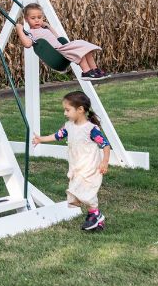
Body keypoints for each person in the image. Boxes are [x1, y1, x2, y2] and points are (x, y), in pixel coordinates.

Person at [32, 91, 111, 231]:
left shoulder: (91, 129)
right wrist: (41, 139)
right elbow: (58, 136)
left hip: (90, 166)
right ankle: (94, 216)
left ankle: (95, 215)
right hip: (76, 166)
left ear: (80, 109)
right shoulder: (69, 126)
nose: (65, 113)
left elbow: (105, 145)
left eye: (67, 110)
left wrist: (104, 162)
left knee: (87, 191)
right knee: (77, 190)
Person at [14, 2, 108, 81]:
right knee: (78, 50)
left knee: (85, 47)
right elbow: (27, 44)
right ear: (26, 20)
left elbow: (57, 37)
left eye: (39, 17)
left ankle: (95, 70)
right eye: (33, 18)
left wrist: (48, 26)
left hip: (62, 47)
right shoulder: (30, 33)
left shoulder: (44, 29)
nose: (37, 20)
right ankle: (86, 72)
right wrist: (19, 30)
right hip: (58, 52)